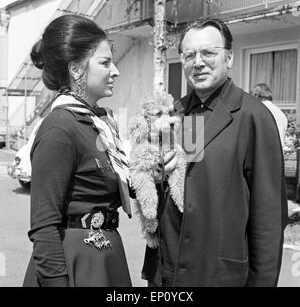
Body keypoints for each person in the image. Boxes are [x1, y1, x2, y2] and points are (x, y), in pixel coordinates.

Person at [142, 18, 288, 287]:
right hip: (169, 272)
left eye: (208, 53)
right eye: (189, 55)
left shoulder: (253, 116)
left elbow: (268, 217)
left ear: (229, 58)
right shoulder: (178, 112)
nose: (198, 62)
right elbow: (187, 180)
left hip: (219, 274)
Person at [23, 14, 132, 287]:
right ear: (76, 69)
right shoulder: (60, 129)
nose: (115, 71)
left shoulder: (99, 124)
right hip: (74, 265)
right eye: (105, 63)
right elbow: (44, 226)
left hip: (104, 259)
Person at [251, 83, 288, 148]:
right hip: (278, 151)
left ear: (256, 95)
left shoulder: (260, 109)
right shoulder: (279, 112)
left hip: (265, 150)